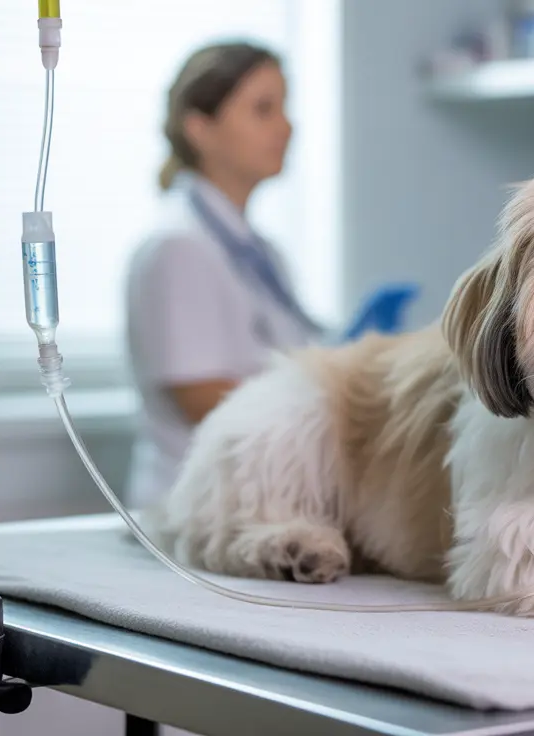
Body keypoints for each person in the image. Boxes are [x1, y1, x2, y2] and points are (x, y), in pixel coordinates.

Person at [123, 41, 324, 509]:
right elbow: (198, 397)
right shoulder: (178, 247)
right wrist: (337, 403)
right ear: (200, 128)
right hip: (196, 505)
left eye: (285, 106)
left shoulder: (259, 250)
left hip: (253, 495)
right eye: (263, 109)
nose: (287, 125)